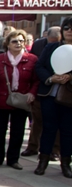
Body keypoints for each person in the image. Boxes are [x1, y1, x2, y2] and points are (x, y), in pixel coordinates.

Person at [0, 30, 38, 169]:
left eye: (21, 41)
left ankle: (13, 159)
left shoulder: (32, 59)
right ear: (8, 44)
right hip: (1, 99)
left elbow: (36, 80)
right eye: (15, 41)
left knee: (17, 131)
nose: (19, 44)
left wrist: (32, 93)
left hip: (21, 101)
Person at [34, 18, 72, 178]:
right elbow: (39, 66)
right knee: (48, 128)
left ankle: (65, 164)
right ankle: (43, 162)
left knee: (67, 131)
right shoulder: (51, 47)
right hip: (49, 94)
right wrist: (51, 78)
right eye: (67, 28)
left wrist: (69, 77)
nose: (69, 31)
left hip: (69, 97)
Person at [25, 27, 62, 157]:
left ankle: (55, 150)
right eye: (51, 40)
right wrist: (49, 78)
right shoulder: (41, 45)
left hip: (64, 91)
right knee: (38, 121)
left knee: (58, 123)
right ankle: (33, 147)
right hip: (44, 89)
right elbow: (38, 66)